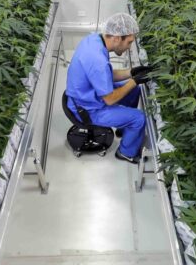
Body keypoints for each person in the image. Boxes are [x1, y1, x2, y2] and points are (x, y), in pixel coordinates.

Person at [65, 13, 154, 164]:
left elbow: (105, 75)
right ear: (117, 38)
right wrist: (134, 81)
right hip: (86, 109)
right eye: (129, 42)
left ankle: (124, 127)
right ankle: (126, 153)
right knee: (139, 118)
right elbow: (110, 99)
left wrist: (131, 72)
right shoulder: (98, 60)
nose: (129, 47)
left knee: (134, 91)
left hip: (83, 95)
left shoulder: (94, 40)